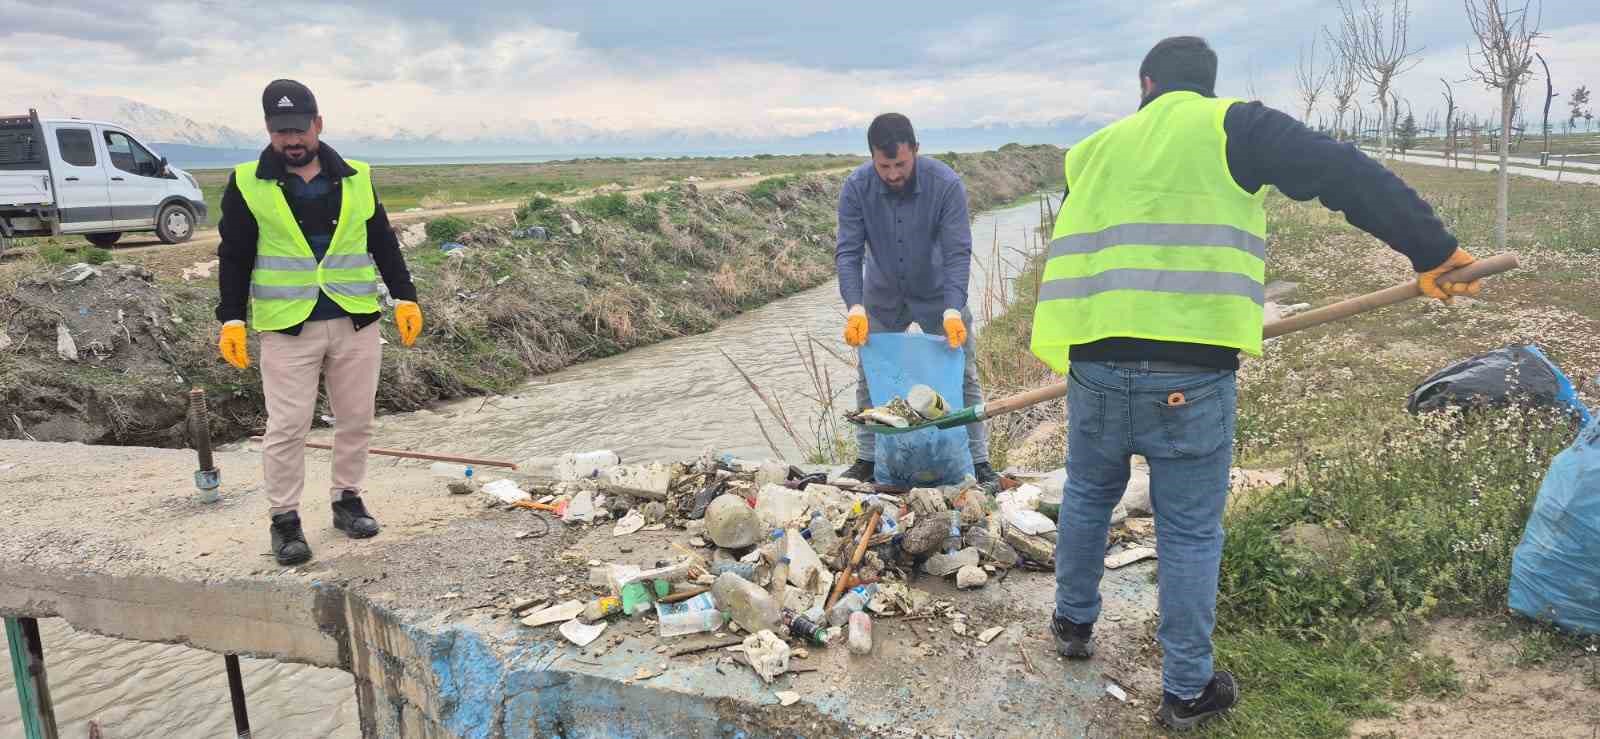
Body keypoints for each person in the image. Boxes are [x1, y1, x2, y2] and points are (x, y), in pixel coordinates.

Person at [1032, 37, 1481, 731]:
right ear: (1208, 85)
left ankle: (1071, 623)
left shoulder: (1091, 151)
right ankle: (1186, 689)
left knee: (1089, 493)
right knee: (1187, 530)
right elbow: (1342, 171)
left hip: (1094, 363)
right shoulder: (1236, 126)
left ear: (1146, 84)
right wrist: (1433, 248)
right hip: (1191, 375)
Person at [215, 79, 424, 566]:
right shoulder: (248, 181)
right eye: (280, 131)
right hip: (288, 326)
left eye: (299, 130)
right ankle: (285, 520)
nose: (291, 140)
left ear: (318, 124)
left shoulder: (356, 176)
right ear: (268, 129)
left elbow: (382, 240)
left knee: (356, 419)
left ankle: (347, 500)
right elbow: (235, 254)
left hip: (354, 319)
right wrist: (231, 318)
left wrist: (405, 296)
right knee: (287, 426)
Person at [835, 113, 998, 488]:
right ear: (872, 157)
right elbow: (848, 252)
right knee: (870, 375)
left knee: (962, 373)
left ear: (916, 151)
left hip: (939, 294)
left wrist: (953, 308)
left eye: (901, 164)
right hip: (882, 295)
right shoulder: (856, 187)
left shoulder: (946, 184)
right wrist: (855, 307)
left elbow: (957, 252)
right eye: (884, 166)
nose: (893, 174)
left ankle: (979, 461)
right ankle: (867, 459)